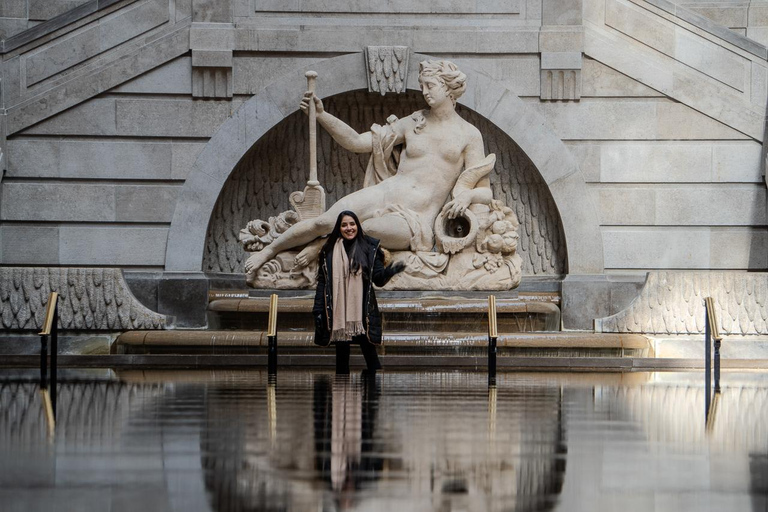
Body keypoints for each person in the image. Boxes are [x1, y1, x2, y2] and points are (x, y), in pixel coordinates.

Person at [245, 60, 494, 275]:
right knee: (324, 222)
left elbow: (485, 191)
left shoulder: (469, 134)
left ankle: (322, 246)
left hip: (416, 218)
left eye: (430, 86)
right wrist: (322, 115)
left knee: (366, 228)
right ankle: (270, 250)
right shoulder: (414, 122)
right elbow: (356, 142)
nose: (424, 92)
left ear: (449, 88)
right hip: (386, 192)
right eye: (422, 86)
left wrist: (469, 195)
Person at [313, 211, 405, 373]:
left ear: (358, 226)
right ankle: (341, 391)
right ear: (339, 228)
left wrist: (389, 272)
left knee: (370, 353)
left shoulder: (369, 247)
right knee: (341, 353)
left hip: (362, 310)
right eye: (344, 225)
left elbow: (378, 279)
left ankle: (372, 391)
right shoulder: (328, 250)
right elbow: (323, 281)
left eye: (352, 224)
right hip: (338, 309)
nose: (349, 228)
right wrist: (318, 309)